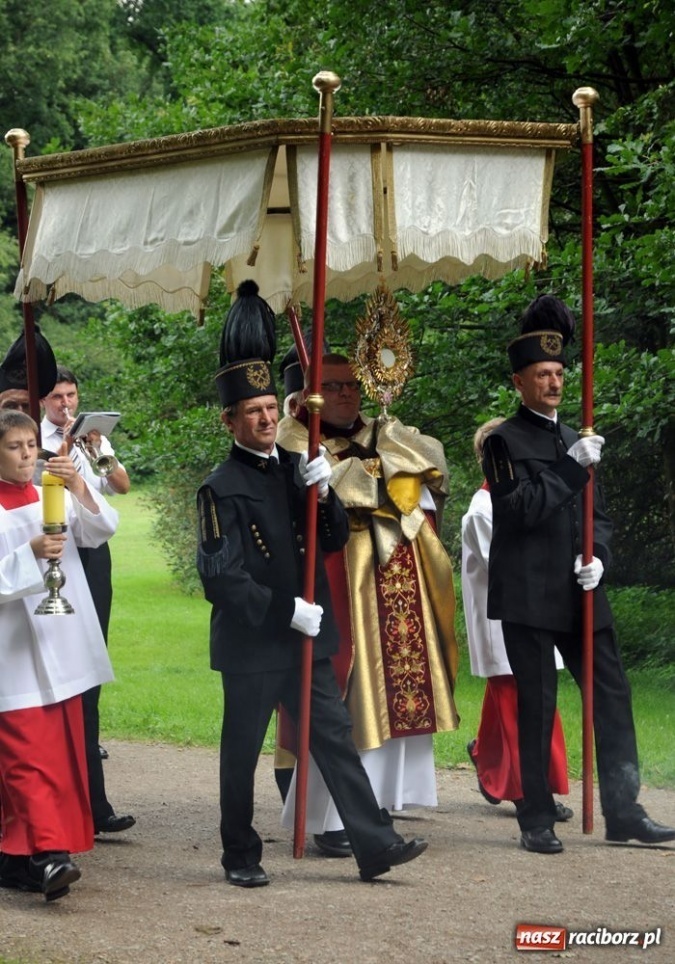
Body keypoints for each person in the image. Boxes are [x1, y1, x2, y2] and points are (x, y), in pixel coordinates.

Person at [196, 280, 428, 887]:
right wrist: (286, 611)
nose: (265, 419)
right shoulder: (219, 488)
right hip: (255, 642)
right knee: (241, 752)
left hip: (306, 637)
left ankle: (374, 843)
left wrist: (324, 492)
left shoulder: (299, 468)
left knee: (335, 738)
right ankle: (240, 855)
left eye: (270, 409)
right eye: (252, 412)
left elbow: (330, 539)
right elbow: (221, 579)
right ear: (229, 420)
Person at [482, 293, 674, 854]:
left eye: (560, 373)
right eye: (543, 374)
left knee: (613, 693)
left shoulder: (576, 439)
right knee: (538, 703)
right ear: (519, 382)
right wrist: (571, 468)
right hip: (528, 593)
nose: (554, 383)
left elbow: (600, 517)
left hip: (580, 590)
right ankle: (536, 816)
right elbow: (516, 510)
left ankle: (624, 809)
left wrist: (600, 558)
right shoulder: (501, 442)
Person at [276, 352, 459, 857]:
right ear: (307, 395)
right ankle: (332, 817)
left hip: (395, 580)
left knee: (393, 693)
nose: (346, 394)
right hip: (339, 582)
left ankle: (379, 801)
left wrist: (381, 473)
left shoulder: (385, 431)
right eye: (333, 386)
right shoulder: (294, 441)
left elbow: (428, 471)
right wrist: (380, 478)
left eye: (352, 384)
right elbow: (341, 493)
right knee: (348, 694)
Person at [0, 410, 118, 900]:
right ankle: (49, 854)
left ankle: (15, 859)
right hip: (12, 654)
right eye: (14, 447)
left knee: (60, 752)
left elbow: (100, 529)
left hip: (60, 644)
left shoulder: (51, 489)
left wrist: (78, 486)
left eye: (31, 445)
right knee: (25, 756)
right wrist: (28, 552)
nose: (27, 454)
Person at [462, 417, 572, 821]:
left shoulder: (532, 497)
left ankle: (485, 755)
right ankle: (530, 791)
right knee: (518, 702)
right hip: (504, 618)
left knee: (524, 699)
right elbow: (506, 564)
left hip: (538, 610)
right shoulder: (481, 510)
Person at [41, 367, 135, 835]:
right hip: (54, 553)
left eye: (71, 395)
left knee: (90, 673)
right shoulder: (32, 440)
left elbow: (122, 485)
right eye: (58, 396)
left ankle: (96, 804)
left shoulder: (92, 439)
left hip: (94, 553)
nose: (66, 404)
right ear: (43, 401)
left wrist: (98, 451)